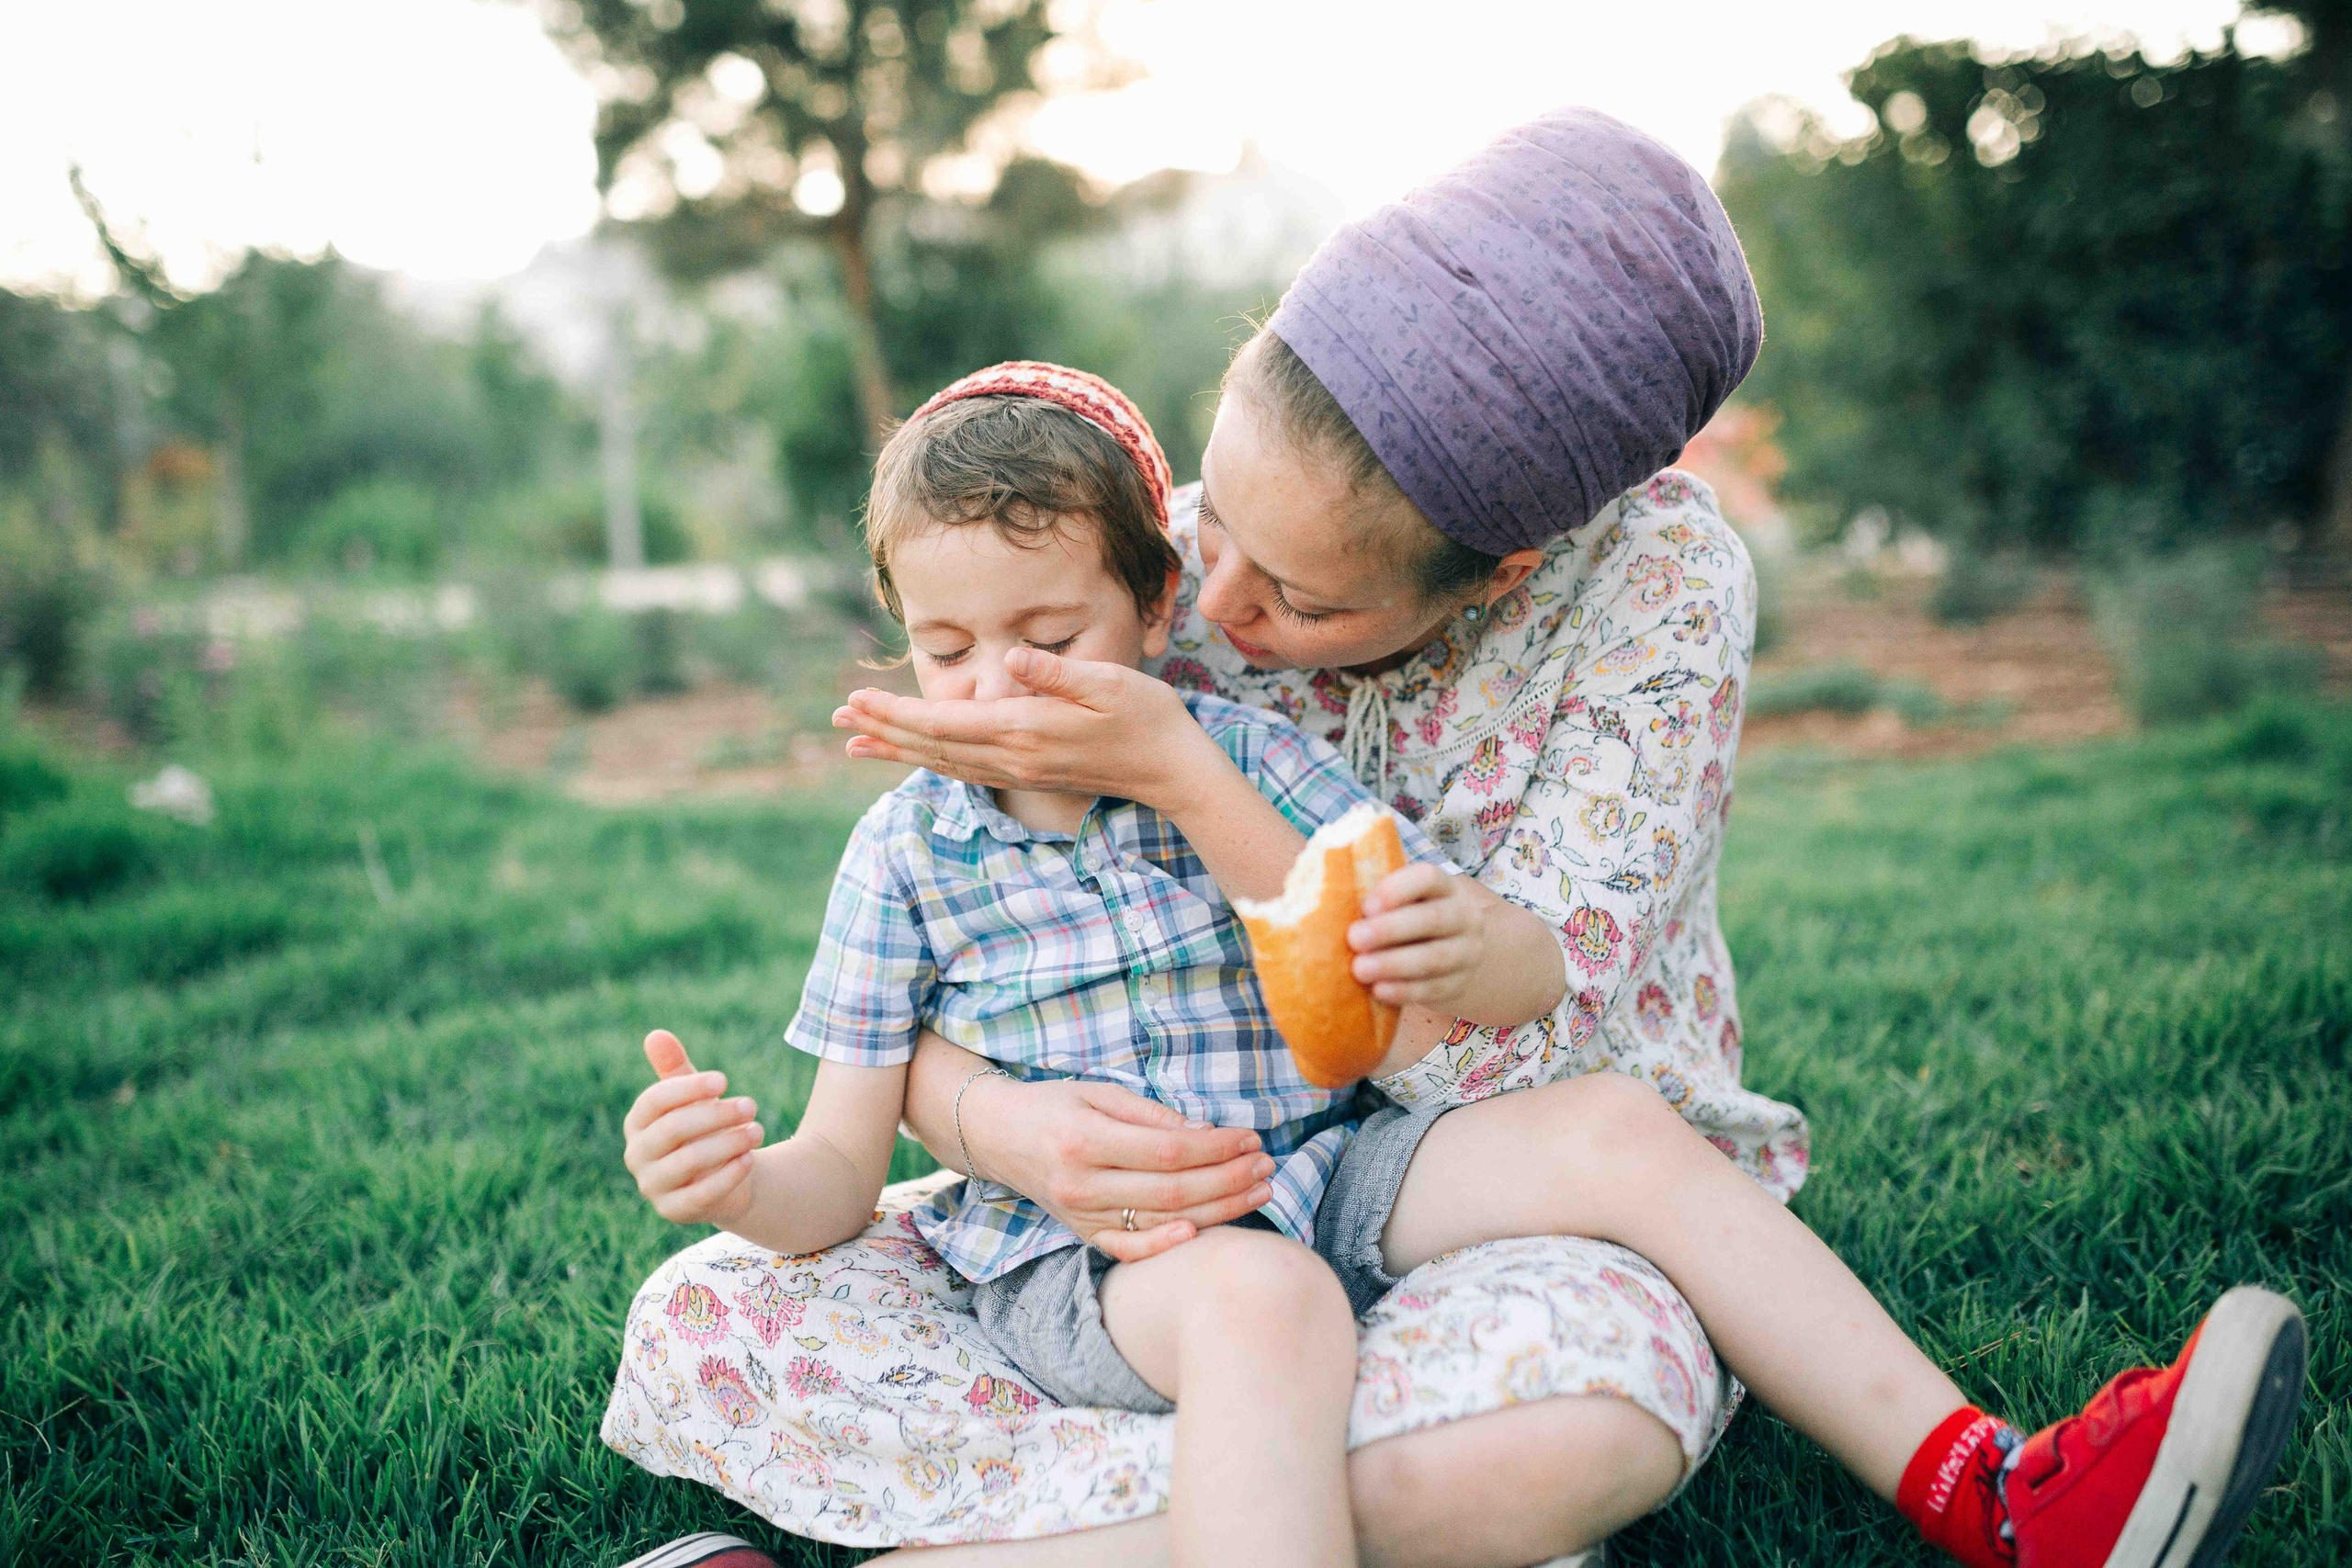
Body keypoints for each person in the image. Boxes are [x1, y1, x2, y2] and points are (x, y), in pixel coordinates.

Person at [624, 361, 2304, 1568]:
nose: (995, 687)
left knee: (1619, 1135)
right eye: (943, 645)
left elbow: (1357, 1023)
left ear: (1155, 611)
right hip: (1110, 1258)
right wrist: (736, 1179)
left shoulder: (1244, 753)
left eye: (1049, 637)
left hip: (1338, 1155)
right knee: (1266, 1308)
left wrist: (1187, 778)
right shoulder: (907, 853)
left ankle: (1996, 1495)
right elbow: (839, 1174)